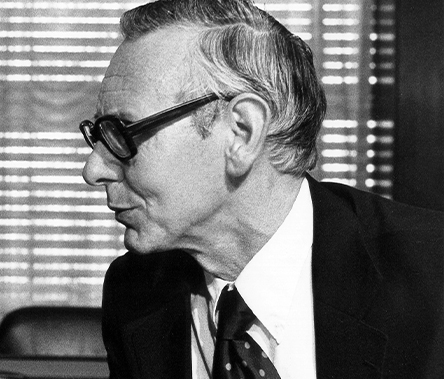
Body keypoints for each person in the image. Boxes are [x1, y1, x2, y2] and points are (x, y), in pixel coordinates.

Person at [79, 1, 444, 378]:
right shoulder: (134, 293)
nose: (93, 170)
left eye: (122, 133)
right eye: (97, 137)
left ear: (242, 132)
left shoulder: (433, 279)